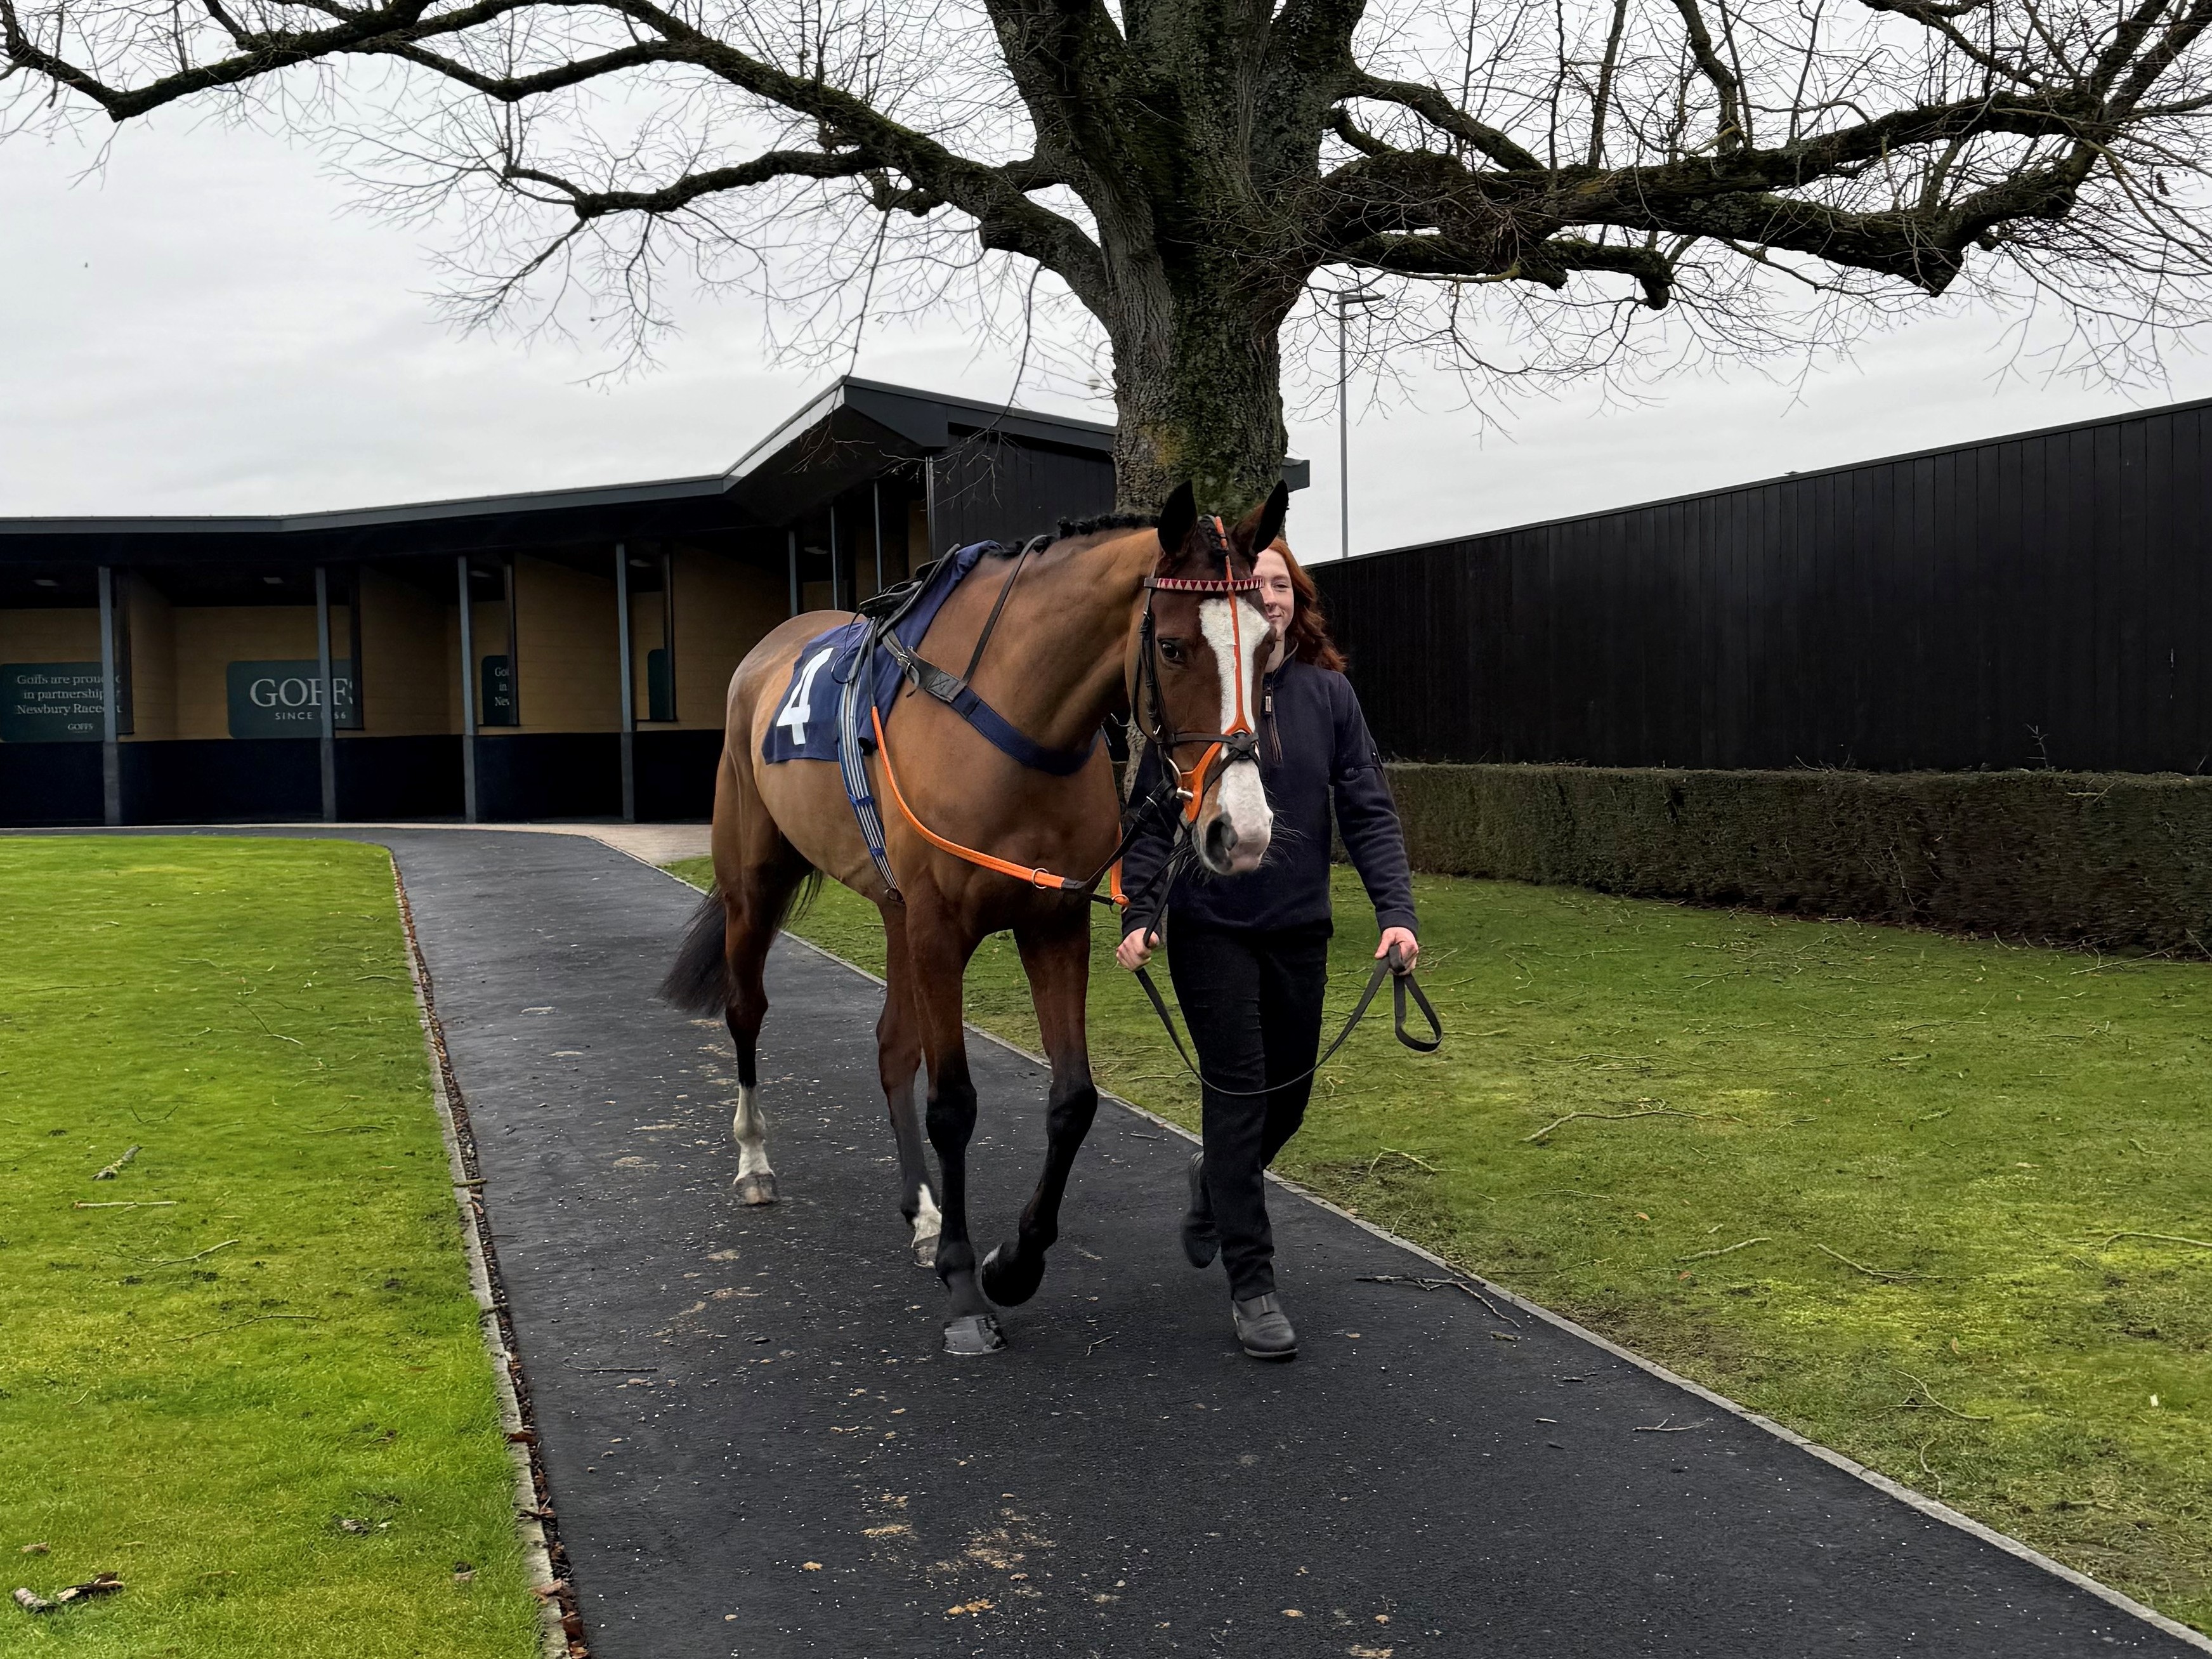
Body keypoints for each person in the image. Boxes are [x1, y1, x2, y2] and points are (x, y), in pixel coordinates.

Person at [1116, 536, 1418, 1361]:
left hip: (1299, 928)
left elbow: (1368, 810)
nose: (1270, 596)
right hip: (1212, 928)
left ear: (1297, 597)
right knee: (1241, 1096)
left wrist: (1397, 912)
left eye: (1280, 584)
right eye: (1257, 585)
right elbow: (1150, 812)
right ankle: (1254, 1286)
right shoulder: (1203, 690)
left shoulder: (1328, 696)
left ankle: (1214, 1179)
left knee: (1291, 1096)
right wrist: (1138, 911)